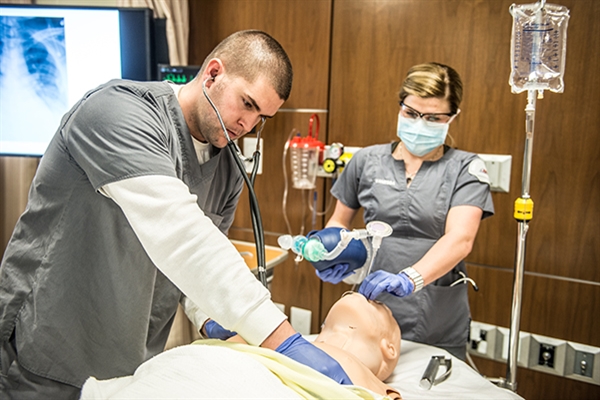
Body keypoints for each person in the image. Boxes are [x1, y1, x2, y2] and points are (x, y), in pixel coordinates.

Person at [0, 30, 350, 399]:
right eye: (246, 104)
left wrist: (210, 316)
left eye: (262, 117)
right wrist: (283, 338)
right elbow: (180, 236)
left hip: (129, 368)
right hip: (47, 351)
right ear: (213, 73)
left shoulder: (229, 168)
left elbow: (200, 264)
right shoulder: (117, 113)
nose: (248, 124)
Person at [310, 62, 494, 359]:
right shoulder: (366, 160)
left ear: (453, 117)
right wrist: (334, 257)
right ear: (400, 107)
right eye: (411, 113)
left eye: (433, 117)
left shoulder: (467, 168)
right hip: (370, 316)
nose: (419, 124)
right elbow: (338, 224)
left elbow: (461, 239)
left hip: (435, 318)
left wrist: (410, 279)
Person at [226, 291, 402, 399]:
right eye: (325, 328)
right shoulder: (294, 348)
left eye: (349, 329)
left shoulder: (372, 383)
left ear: (389, 349)